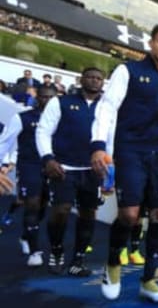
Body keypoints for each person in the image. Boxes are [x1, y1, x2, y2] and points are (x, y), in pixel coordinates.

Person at [90, 24, 158, 303]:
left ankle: (148, 280)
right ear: (151, 43)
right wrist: (99, 145)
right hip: (130, 150)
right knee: (129, 215)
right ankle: (112, 264)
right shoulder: (128, 71)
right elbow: (107, 108)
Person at [36, 67, 105, 276]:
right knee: (61, 211)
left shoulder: (108, 107)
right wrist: (48, 158)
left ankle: (78, 260)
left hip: (92, 170)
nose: (94, 81)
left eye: (99, 79)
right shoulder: (61, 102)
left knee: (88, 214)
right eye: (91, 77)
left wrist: (109, 168)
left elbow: (111, 137)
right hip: (63, 168)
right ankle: (56, 252)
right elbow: (43, 130)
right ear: (81, 79)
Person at [14, 84, 57, 266]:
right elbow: (6, 141)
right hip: (29, 165)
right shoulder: (22, 117)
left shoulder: (61, 119)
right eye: (43, 97)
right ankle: (34, 251)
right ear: (37, 97)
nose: (47, 101)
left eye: (51, 97)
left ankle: (26, 236)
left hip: (52, 167)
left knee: (42, 208)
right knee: (32, 204)